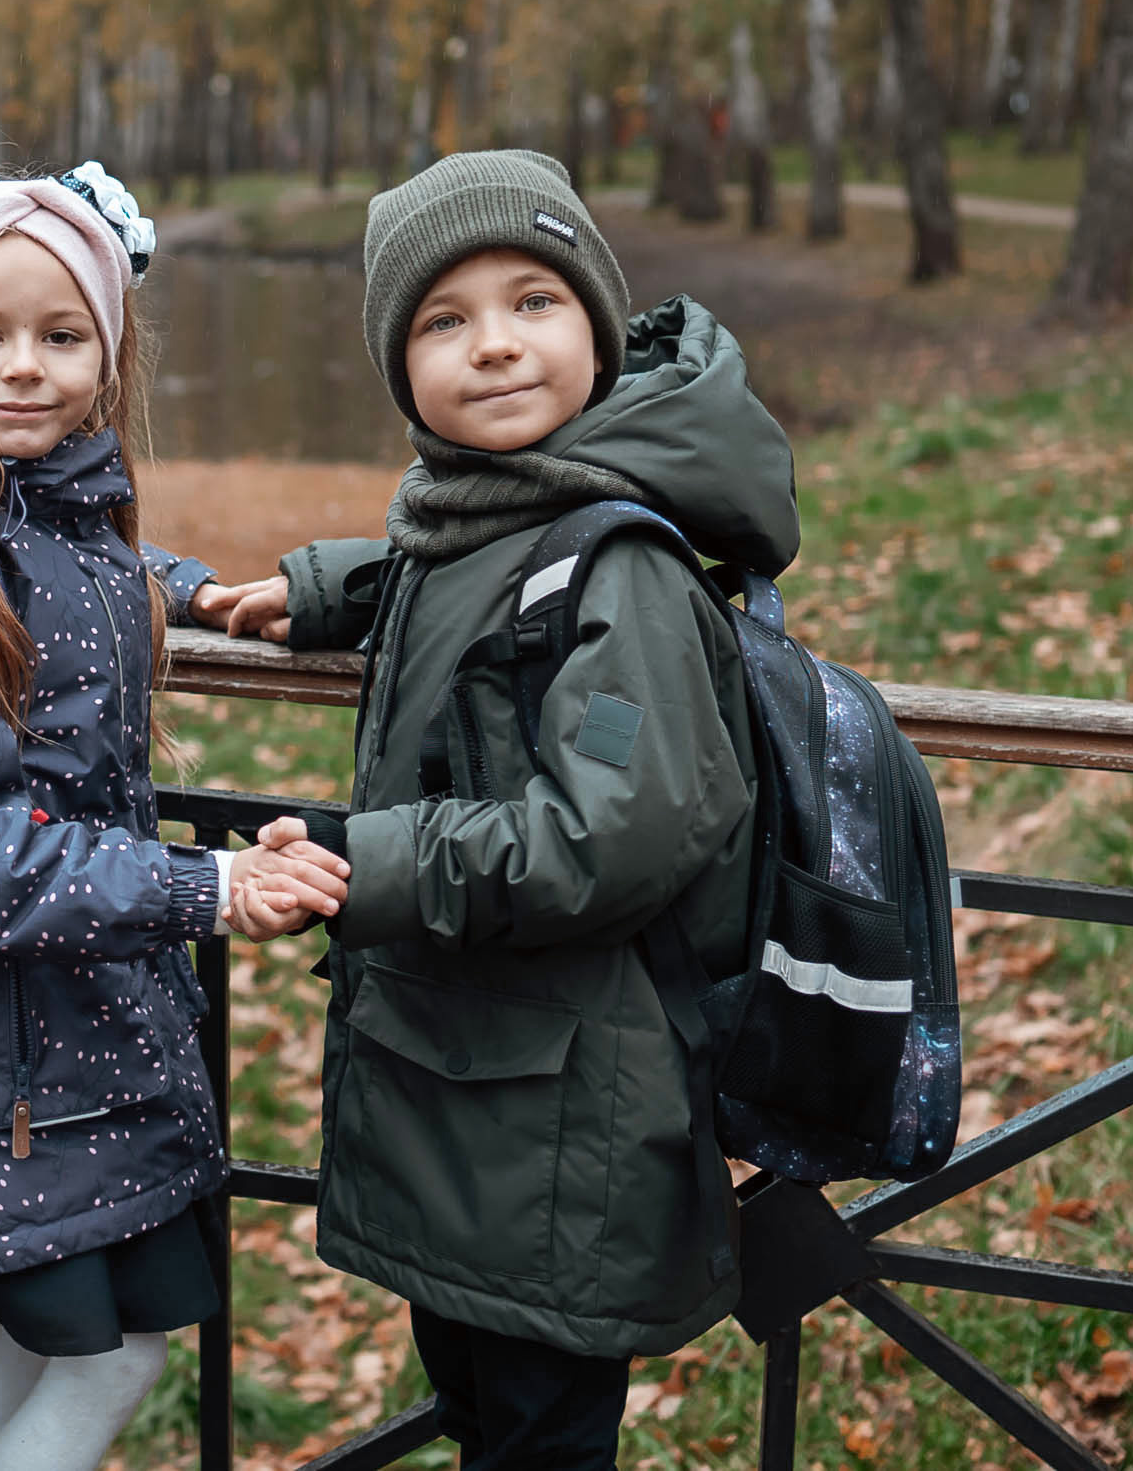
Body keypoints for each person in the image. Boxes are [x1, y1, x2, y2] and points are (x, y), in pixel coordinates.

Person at [218, 150, 799, 1470]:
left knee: (537, 1442)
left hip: (557, 1131)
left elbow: (614, 832)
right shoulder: (485, 513)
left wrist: (370, 861)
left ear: (594, 323)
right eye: (443, 319)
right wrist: (335, 589)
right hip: (479, 1107)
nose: (493, 346)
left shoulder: (626, 569)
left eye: (533, 301)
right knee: (485, 1416)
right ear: (399, 365)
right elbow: (463, 564)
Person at [0, 147, 346, 1471]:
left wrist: (197, 588)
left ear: (111, 349)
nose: (24, 367)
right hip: (0, 1045)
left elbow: (74, 559)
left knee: (30, 1332)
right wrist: (206, 889)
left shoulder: (19, 502)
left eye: (61, 334)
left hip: (47, 1038)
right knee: (112, 1352)